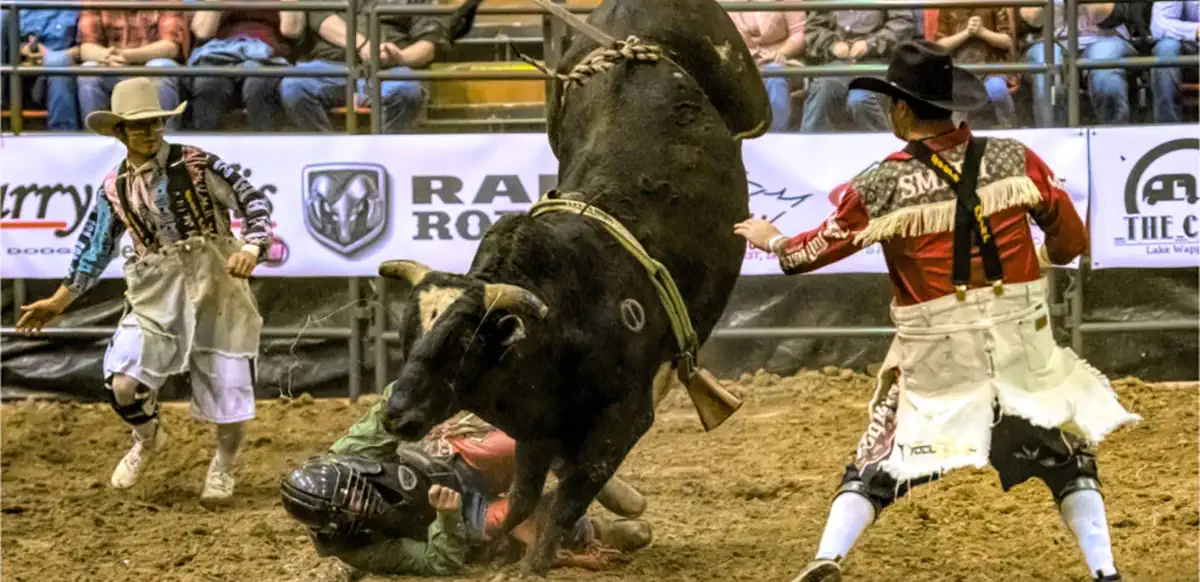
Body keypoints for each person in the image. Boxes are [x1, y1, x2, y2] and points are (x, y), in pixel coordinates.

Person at [733, 40, 1139, 582]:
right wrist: (1039, 259)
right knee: (1069, 456)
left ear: (901, 109)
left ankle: (827, 556)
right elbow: (1070, 240)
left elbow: (808, 254)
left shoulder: (881, 185)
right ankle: (1104, 569)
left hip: (936, 354)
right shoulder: (1015, 160)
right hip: (1021, 342)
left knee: (877, 460)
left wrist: (774, 238)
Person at [15, 77, 274, 504]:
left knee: (228, 386)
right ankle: (146, 437)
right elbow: (94, 246)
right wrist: (61, 299)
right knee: (122, 381)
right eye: (139, 126)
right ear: (120, 132)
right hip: (156, 287)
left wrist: (251, 245)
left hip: (215, 281)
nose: (150, 132)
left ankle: (223, 466)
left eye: (155, 123)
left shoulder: (197, 164)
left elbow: (252, 202)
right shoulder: (114, 187)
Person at [281, 381, 653, 579]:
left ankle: (587, 473)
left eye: (355, 494)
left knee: (522, 438)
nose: (362, 504)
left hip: (446, 457)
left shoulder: (349, 449)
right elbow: (435, 563)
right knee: (513, 524)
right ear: (336, 523)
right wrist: (445, 517)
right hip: (453, 514)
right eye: (351, 509)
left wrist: (417, 397)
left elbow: (390, 409)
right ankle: (593, 530)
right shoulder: (350, 547)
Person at [279, 0, 446, 133]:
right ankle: (329, 154)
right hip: (332, 66)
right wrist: (364, 45)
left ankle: (385, 155)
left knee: (405, 89)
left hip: (389, 68)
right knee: (294, 85)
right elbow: (322, 18)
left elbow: (428, 45)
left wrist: (400, 57)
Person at [186, 0, 305, 130]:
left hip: (267, 53)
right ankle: (205, 147)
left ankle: (267, 147)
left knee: (258, 87)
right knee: (208, 85)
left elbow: (292, 30)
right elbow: (203, 31)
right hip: (219, 51)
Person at [801, 5, 916, 132]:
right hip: (840, 61)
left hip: (878, 61)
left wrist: (871, 44)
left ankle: (884, 149)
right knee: (823, 91)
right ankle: (807, 148)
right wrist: (832, 44)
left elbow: (903, 24)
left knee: (860, 99)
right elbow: (814, 28)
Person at [1020, 1, 1135, 127]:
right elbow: (1034, 20)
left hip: (1104, 38)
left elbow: (1105, 16)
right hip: (1050, 41)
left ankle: (1116, 136)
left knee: (1105, 74)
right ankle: (1051, 137)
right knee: (1050, 74)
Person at [75, 7, 188, 132]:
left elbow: (171, 46)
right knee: (89, 71)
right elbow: (86, 46)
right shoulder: (95, 2)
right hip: (113, 65)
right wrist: (105, 56)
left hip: (149, 64)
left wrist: (127, 55)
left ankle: (167, 137)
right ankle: (95, 139)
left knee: (161, 67)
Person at [726, 0, 806, 131]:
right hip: (741, 60)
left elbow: (800, 32)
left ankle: (776, 137)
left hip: (783, 59)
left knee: (775, 75)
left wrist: (783, 52)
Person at [934, 5, 1018, 127]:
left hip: (991, 67)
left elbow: (1006, 42)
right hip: (959, 70)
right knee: (957, 97)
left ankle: (1011, 130)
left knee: (997, 90)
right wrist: (967, 32)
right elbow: (940, 45)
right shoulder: (948, 5)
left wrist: (982, 32)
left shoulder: (995, 3)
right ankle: (956, 139)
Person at [0, 8, 81, 130]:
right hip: (19, 71)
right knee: (2, 16)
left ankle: (63, 135)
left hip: (60, 68)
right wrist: (23, 49)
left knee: (57, 61)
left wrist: (49, 55)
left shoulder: (78, 6)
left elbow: (86, 46)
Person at [1150, 0, 1199, 123]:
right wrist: (1196, 30)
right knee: (1165, 48)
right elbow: (1159, 24)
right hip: (1188, 45)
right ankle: (1167, 128)